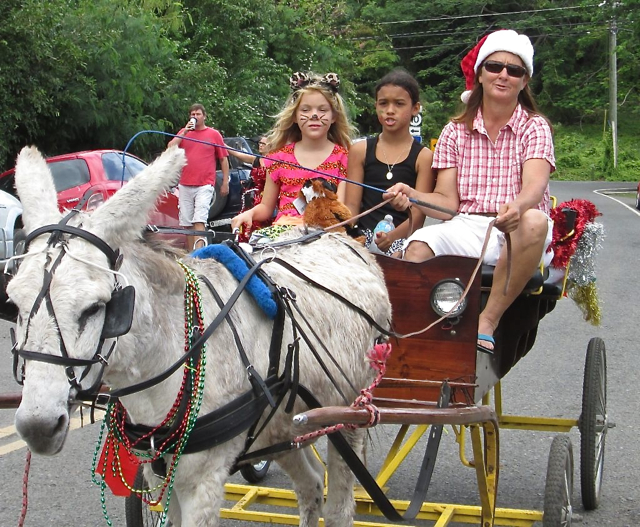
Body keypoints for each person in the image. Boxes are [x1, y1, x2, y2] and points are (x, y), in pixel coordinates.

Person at [384, 29, 556, 353]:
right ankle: (419, 338)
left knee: (535, 221)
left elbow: (535, 186)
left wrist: (515, 208)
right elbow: (448, 205)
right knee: (418, 244)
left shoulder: (535, 126)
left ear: (524, 81)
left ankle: (487, 321)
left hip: (517, 226)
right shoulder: (454, 130)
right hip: (468, 225)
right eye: (494, 66)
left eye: (514, 70)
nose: (503, 74)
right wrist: (412, 194)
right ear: (480, 74)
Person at [231, 72, 355, 237]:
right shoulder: (278, 158)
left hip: (325, 235)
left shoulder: (345, 158)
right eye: (306, 109)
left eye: (323, 109)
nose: (314, 115)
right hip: (284, 234)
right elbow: (266, 208)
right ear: (295, 116)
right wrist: (250, 214)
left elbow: (341, 208)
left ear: (334, 117)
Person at [344, 69, 435, 255]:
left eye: (399, 104)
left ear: (415, 108)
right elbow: (352, 206)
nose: (390, 111)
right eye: (383, 103)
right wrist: (345, 234)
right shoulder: (359, 150)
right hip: (362, 236)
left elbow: (418, 215)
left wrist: (391, 238)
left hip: (402, 240)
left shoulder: (424, 157)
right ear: (376, 105)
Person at [168, 103, 230, 250]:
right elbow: (171, 147)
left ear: (204, 116)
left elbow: (223, 159)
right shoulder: (185, 132)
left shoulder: (213, 134)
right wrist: (184, 132)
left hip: (205, 184)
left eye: (198, 114)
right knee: (187, 222)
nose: (195, 117)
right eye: (192, 114)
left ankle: (200, 253)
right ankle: (191, 255)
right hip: (185, 183)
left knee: (199, 220)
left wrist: (225, 182)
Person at [229, 135, 269, 242]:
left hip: (268, 199)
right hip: (252, 198)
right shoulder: (257, 159)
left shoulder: (276, 161)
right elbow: (239, 154)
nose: (260, 145)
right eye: (259, 143)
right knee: (245, 223)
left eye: (263, 144)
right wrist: (223, 146)